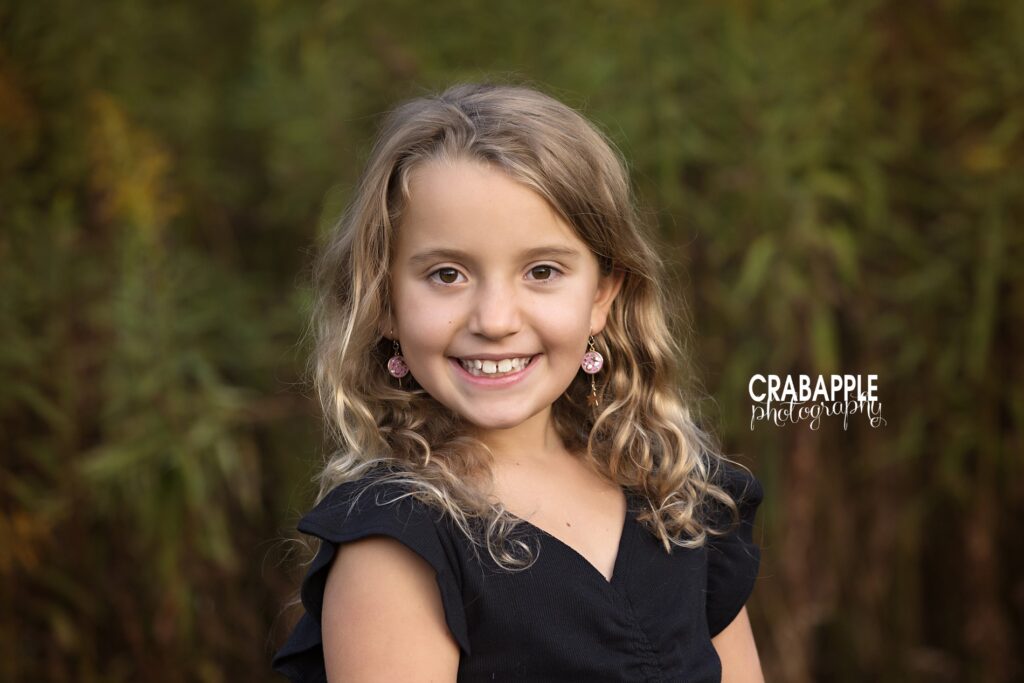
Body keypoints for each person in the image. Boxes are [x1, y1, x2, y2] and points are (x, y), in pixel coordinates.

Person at [272, 82, 765, 682]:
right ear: (384, 305)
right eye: (448, 274)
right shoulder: (397, 546)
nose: (496, 321)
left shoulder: (677, 494)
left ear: (602, 297)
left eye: (542, 271)